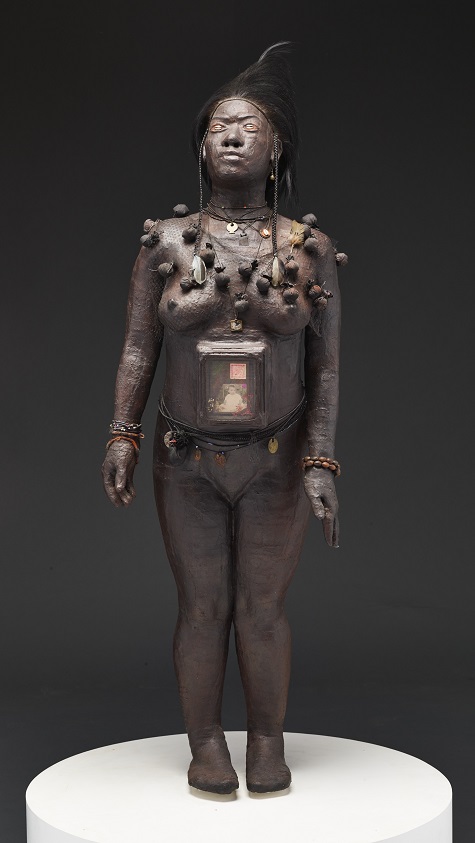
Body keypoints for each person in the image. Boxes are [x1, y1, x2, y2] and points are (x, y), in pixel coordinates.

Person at [102, 43, 345, 795]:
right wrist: (122, 432)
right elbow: (139, 346)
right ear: (200, 149)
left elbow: (325, 366)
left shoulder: (308, 249)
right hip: (185, 456)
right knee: (202, 607)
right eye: (217, 128)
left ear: (277, 151)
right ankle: (206, 742)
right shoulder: (166, 244)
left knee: (262, 609)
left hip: (276, 459)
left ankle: (267, 740)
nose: (230, 138)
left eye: (247, 128)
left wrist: (319, 460)